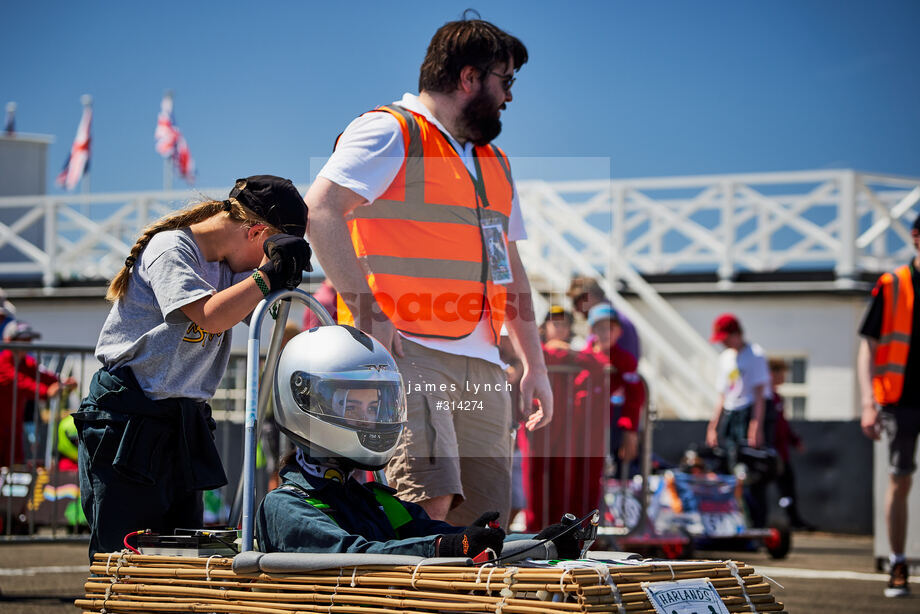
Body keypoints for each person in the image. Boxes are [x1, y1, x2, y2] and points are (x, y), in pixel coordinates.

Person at [306, 16, 552, 526]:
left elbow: (510, 266)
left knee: (486, 524)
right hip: (408, 349)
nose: (509, 97)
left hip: (482, 360)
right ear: (469, 78)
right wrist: (368, 316)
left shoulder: (495, 161)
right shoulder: (390, 130)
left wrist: (535, 365)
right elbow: (320, 211)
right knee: (427, 502)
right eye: (505, 81)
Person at [74, 175, 310, 560]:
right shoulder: (172, 248)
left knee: (182, 552)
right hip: (128, 418)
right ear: (256, 232)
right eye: (271, 249)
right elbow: (210, 317)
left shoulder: (230, 266)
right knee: (125, 553)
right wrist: (267, 274)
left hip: (182, 420)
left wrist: (283, 276)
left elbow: (266, 311)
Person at [257, 324, 577, 559]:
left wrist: (540, 543)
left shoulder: (376, 501)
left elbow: (429, 533)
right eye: (352, 407)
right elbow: (352, 555)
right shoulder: (286, 504)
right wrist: (444, 548)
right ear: (306, 401)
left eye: (373, 407)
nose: (368, 419)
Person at [857, 213, 920, 598]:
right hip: (900, 400)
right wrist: (868, 401)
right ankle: (898, 563)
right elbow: (868, 344)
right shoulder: (893, 284)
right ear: (916, 237)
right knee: (900, 481)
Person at [705, 312, 773, 528]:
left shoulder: (755, 355)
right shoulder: (725, 358)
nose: (723, 343)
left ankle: (756, 523)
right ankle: (730, 520)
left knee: (750, 471)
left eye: (726, 337)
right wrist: (713, 426)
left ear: (736, 334)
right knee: (727, 468)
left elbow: (760, 393)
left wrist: (756, 425)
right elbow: (723, 395)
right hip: (731, 413)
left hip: (749, 411)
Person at [0, 320, 76, 466]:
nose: (27, 344)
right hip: (4, 425)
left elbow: (44, 375)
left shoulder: (26, 362)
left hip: (13, 428)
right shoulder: (3, 362)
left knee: (13, 464)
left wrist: (64, 382)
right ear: (9, 340)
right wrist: (46, 391)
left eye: (28, 340)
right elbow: (20, 382)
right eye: (22, 340)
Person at [768, 358, 814, 531]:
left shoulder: (777, 398)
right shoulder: (765, 398)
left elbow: (783, 426)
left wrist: (794, 441)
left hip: (781, 453)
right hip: (770, 453)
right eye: (781, 373)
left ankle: (793, 520)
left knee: (788, 487)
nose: (784, 377)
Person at [567, 276, 640, 360]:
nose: (575, 309)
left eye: (576, 302)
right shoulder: (615, 318)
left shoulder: (611, 321)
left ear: (588, 297)